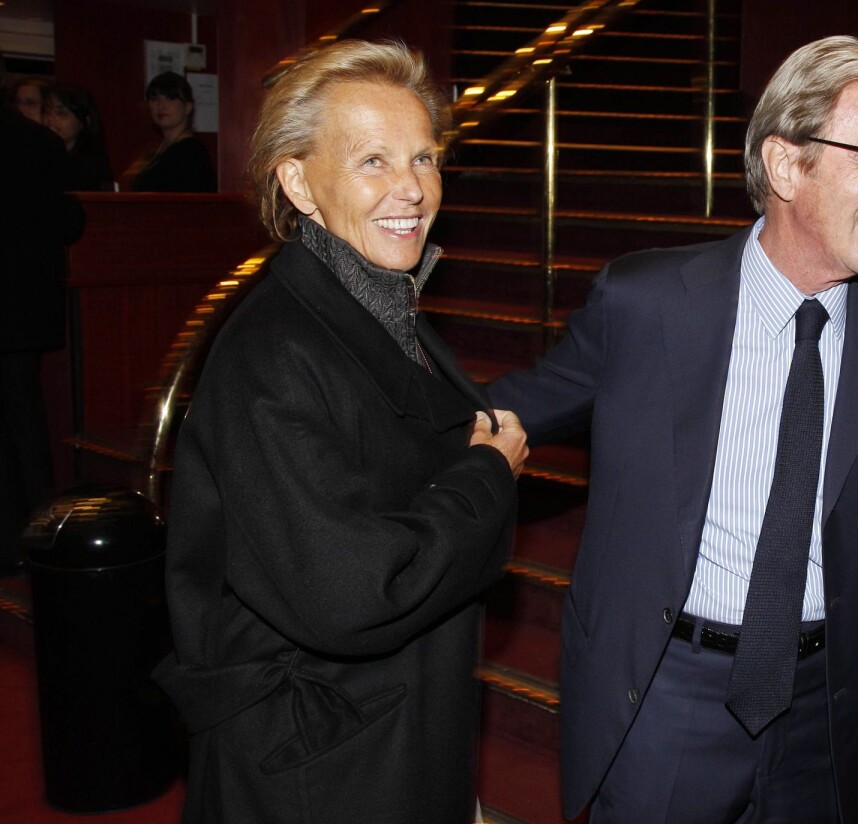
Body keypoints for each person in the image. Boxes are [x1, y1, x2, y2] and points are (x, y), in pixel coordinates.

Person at [488, 35, 858, 823]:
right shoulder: (648, 304)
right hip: (666, 694)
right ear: (787, 166)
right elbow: (516, 409)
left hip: (833, 703)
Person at [151, 40, 528, 823]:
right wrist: (488, 475)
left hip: (386, 731)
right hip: (321, 768)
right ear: (299, 182)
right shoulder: (274, 353)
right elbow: (353, 592)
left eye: (424, 159)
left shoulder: (376, 305)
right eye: (373, 162)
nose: (413, 190)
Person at [0, 69, 84, 574]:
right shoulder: (39, 143)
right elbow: (66, 222)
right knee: (25, 418)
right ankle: (36, 533)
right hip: (25, 305)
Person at [125, 71, 216, 192]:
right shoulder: (157, 151)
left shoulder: (191, 153)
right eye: (154, 99)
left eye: (170, 98)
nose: (161, 105)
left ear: (188, 107)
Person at [42, 83, 114, 191]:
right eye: (47, 111)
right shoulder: (39, 156)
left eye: (61, 113)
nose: (50, 119)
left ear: (84, 121)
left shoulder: (91, 166)